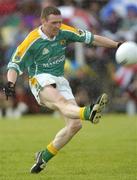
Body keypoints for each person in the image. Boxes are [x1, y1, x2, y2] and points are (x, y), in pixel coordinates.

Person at [4, 6, 122, 173]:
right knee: (60, 103)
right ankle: (89, 112)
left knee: (75, 125)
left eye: (60, 22)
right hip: (40, 79)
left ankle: (43, 156)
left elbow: (92, 38)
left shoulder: (64, 31)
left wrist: (117, 44)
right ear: (43, 21)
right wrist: (10, 84)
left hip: (60, 79)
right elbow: (14, 65)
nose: (58, 26)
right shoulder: (32, 40)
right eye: (54, 23)